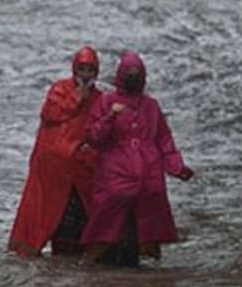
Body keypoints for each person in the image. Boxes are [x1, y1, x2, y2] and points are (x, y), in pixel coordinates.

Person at [80, 52, 193, 266]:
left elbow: (164, 141)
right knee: (110, 203)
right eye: (129, 74)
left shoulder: (151, 106)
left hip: (148, 171)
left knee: (154, 199)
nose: (133, 79)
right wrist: (110, 117)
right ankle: (94, 254)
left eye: (137, 74)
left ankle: (149, 255)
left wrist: (178, 168)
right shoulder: (107, 101)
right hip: (116, 170)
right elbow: (93, 137)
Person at [8, 46, 104, 258]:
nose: (85, 75)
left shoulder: (99, 99)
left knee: (80, 215)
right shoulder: (60, 90)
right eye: (82, 69)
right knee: (51, 214)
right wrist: (77, 97)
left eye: (90, 70)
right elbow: (50, 114)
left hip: (82, 170)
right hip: (55, 169)